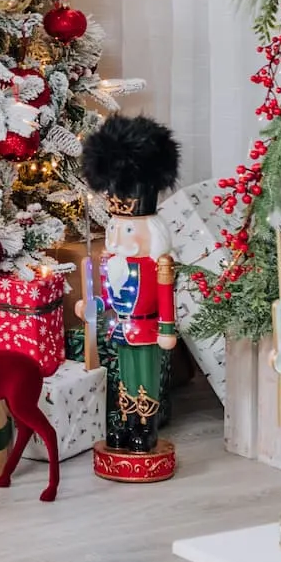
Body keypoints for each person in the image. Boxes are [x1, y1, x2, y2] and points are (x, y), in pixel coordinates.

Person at [78, 116, 180, 476]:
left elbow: (165, 296)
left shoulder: (157, 265)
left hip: (148, 329)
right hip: (120, 330)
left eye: (129, 229)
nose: (120, 237)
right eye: (116, 228)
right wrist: (91, 305)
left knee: (145, 376)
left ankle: (145, 426)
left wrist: (168, 327)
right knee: (123, 374)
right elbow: (105, 294)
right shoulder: (113, 262)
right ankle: (125, 419)